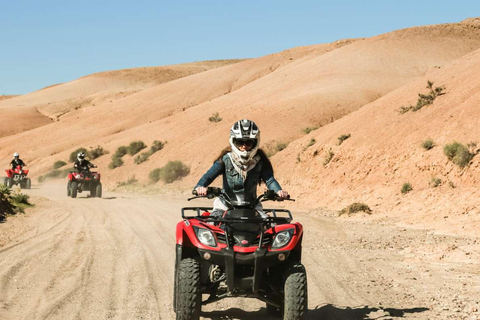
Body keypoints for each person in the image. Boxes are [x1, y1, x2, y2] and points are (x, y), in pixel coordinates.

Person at [194, 119, 288, 218]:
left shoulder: (260, 161)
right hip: (224, 206)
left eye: (249, 143)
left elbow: (270, 180)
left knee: (269, 229)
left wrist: (279, 192)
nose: (244, 146)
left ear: (255, 142)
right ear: (234, 141)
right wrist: (200, 187)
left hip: (252, 207)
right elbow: (208, 176)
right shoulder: (225, 160)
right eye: (240, 142)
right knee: (213, 226)